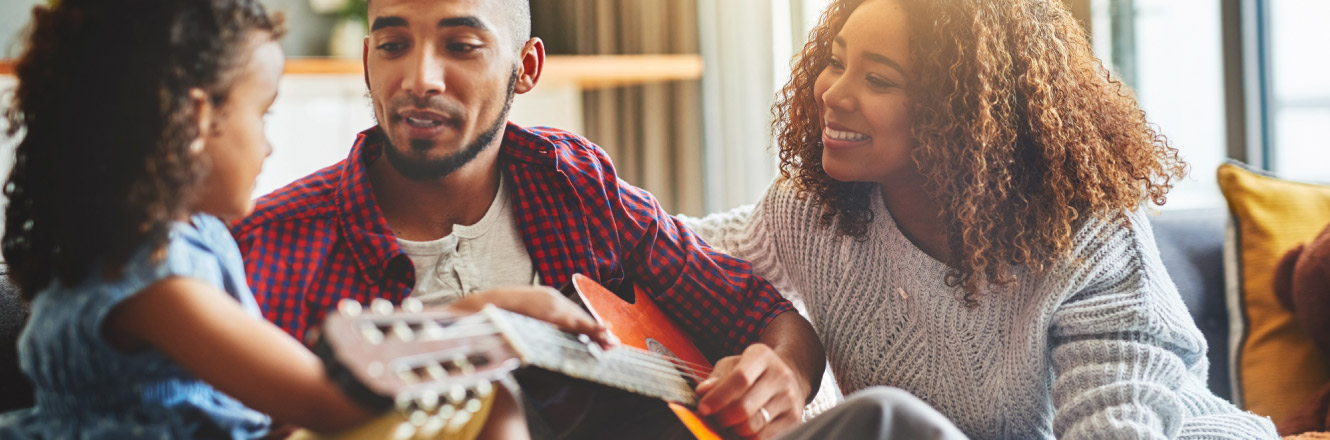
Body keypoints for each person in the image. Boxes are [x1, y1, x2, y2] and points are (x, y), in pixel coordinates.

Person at [682, 0, 1280, 438]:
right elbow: (674, 253)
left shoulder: (1088, 235)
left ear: (966, 114)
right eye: (835, 62)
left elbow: (1117, 426)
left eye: (878, 79)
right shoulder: (815, 210)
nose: (831, 93)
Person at [229, 0, 825, 438]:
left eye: (461, 46)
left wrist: (783, 377)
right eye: (392, 46)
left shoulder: (575, 183)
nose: (418, 80)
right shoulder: (270, 245)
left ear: (526, 67)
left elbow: (764, 312)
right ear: (367, 60)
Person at [0, 0, 551, 437]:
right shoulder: (154, 284)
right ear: (198, 121)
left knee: (488, 403)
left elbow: (265, 412)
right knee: (492, 403)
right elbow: (326, 401)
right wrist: (482, 313)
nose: (269, 144)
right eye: (262, 113)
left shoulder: (198, 239)